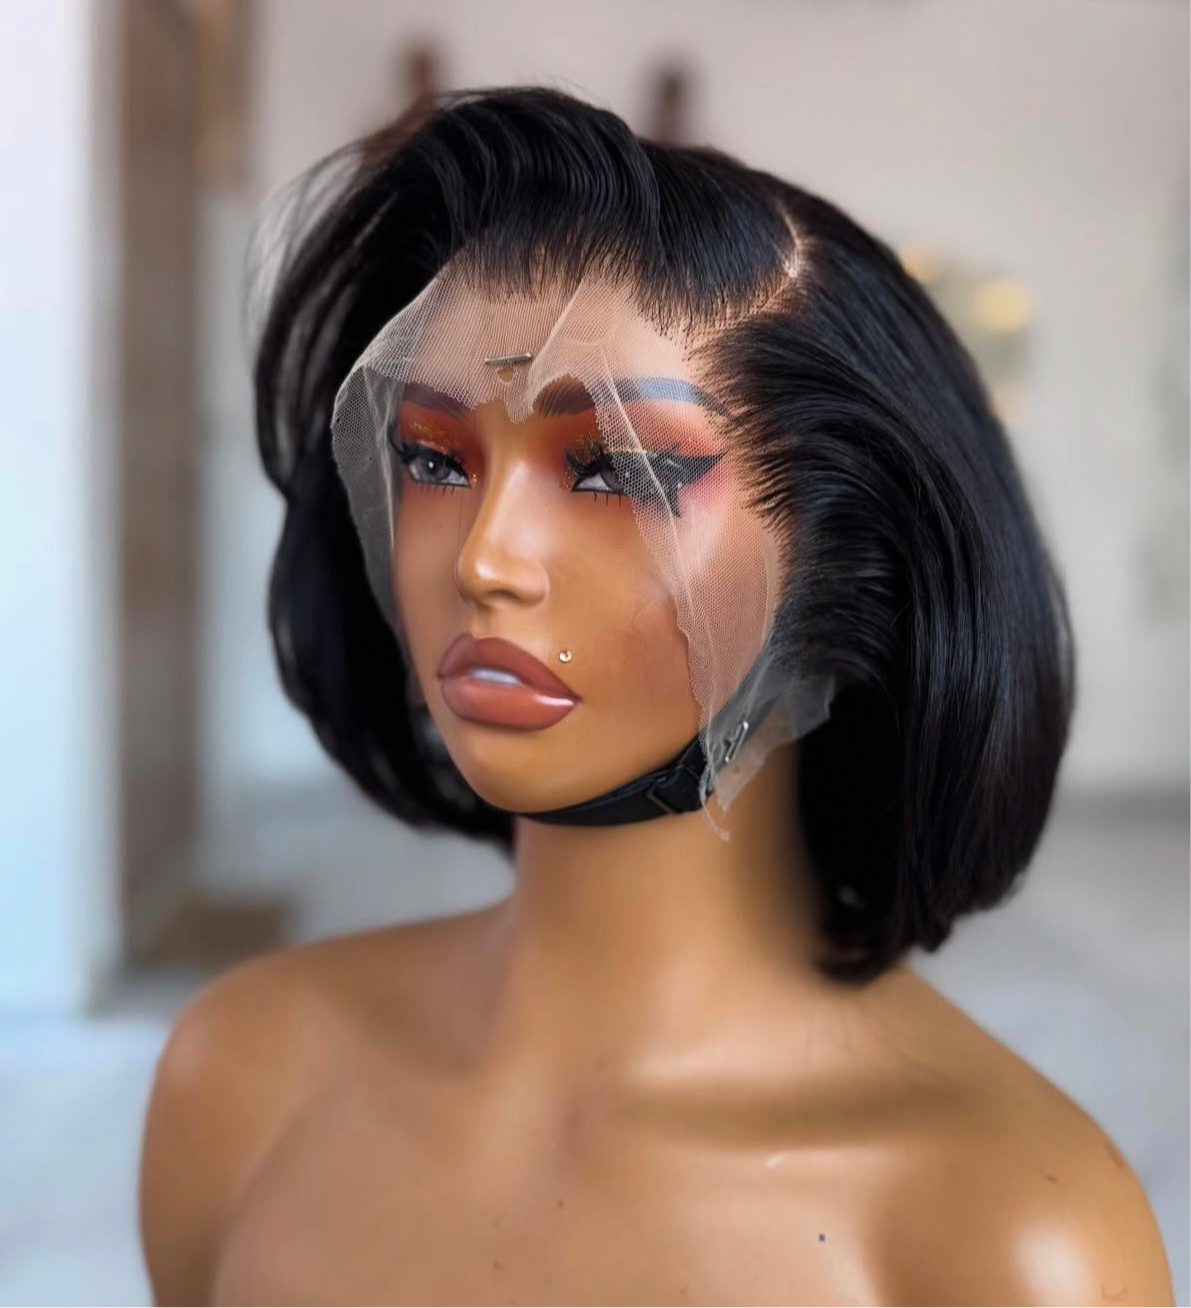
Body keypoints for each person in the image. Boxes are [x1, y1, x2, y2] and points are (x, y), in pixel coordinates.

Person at [138, 87, 1174, 1307]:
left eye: (616, 471)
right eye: (433, 457)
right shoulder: (244, 1081)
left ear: (852, 544)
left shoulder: (1004, 1244)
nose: (485, 558)